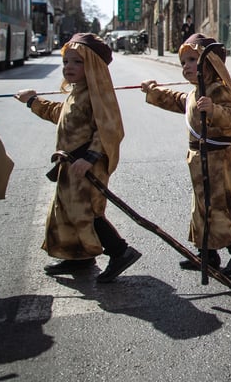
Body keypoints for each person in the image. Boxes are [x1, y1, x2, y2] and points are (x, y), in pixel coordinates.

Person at [14, 33, 142, 283]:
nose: (68, 68)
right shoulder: (78, 92)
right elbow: (60, 114)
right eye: (66, 62)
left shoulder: (97, 94)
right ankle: (79, 256)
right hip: (72, 165)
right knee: (70, 210)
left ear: (92, 65)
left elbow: (109, 128)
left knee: (88, 212)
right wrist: (32, 101)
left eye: (77, 62)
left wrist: (91, 157)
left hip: (87, 165)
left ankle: (120, 251)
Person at [139, 33, 231, 276]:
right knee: (201, 207)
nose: (186, 66)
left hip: (218, 157)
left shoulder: (218, 90)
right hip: (201, 159)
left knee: (216, 206)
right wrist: (153, 92)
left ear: (210, 63)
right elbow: (179, 101)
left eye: (193, 60)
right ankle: (208, 254)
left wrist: (213, 110)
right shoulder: (195, 92)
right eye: (184, 62)